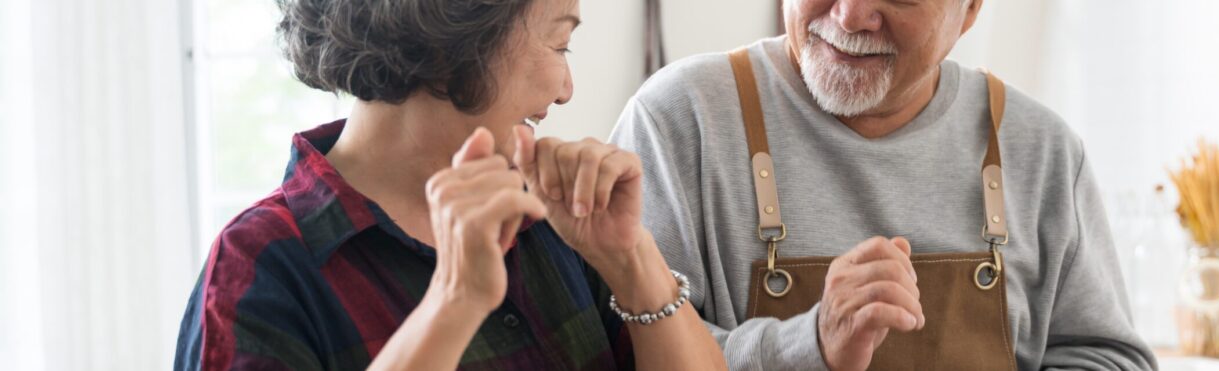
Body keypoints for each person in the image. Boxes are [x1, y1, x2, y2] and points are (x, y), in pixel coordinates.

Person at [173, 0, 724, 369]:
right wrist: (454, 303)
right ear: (446, 45)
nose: (566, 91)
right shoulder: (259, 269)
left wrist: (630, 261)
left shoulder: (552, 220)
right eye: (559, 46)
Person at [608, 0, 1156, 369]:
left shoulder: (1043, 151)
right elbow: (621, 353)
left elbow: (1111, 357)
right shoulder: (678, 121)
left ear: (970, 11)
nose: (850, 16)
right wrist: (810, 344)